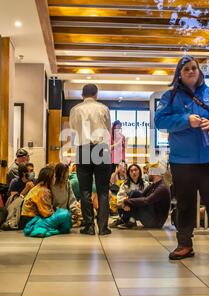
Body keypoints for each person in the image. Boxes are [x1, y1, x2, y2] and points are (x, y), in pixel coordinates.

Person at [155, 55, 209, 259]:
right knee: (185, 203)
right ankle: (184, 244)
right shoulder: (170, 97)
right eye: (186, 69)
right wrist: (186, 120)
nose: (191, 71)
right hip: (182, 161)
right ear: (179, 74)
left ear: (199, 71)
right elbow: (160, 121)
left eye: (194, 67)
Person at [69, 84, 112, 235]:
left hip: (83, 148)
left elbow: (73, 130)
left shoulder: (75, 109)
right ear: (96, 94)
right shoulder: (103, 108)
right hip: (101, 147)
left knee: (85, 190)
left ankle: (88, 226)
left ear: (82, 94)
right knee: (103, 191)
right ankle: (103, 227)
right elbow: (108, 128)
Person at [118, 161, 171, 229]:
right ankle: (128, 220)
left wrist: (126, 201)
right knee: (134, 193)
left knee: (135, 198)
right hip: (152, 215)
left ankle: (125, 220)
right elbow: (141, 195)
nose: (147, 173)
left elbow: (146, 201)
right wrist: (127, 201)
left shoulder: (162, 187)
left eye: (149, 171)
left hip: (155, 222)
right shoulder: (154, 185)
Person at [110, 163, 149, 228]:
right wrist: (125, 203)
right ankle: (131, 220)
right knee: (126, 200)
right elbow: (119, 199)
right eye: (131, 171)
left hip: (141, 210)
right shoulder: (125, 184)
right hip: (126, 209)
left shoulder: (145, 184)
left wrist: (130, 201)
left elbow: (147, 199)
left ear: (139, 171)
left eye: (135, 170)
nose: (134, 172)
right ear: (129, 173)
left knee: (134, 193)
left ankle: (123, 219)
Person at [51, 163, 82, 228]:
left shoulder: (67, 183)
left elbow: (72, 200)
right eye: (64, 176)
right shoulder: (52, 185)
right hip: (54, 213)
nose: (66, 177)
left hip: (66, 212)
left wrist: (77, 211)